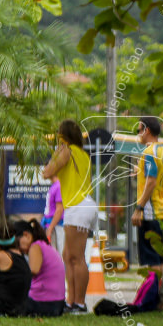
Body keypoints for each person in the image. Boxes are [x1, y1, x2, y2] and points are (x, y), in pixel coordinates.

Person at [42, 120, 98, 315]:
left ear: (62, 136)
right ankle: (71, 301)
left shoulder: (66, 151)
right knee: (68, 256)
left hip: (78, 206)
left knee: (77, 257)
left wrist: (56, 152)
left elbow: (47, 172)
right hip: (81, 205)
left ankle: (80, 303)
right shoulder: (82, 154)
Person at [131, 116, 163, 272]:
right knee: (162, 258)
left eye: (138, 131)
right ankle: (162, 293)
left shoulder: (149, 152)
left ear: (146, 130)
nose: (138, 135)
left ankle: (154, 294)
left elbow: (151, 181)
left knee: (153, 259)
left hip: (150, 213)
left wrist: (139, 208)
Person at [18, 219, 66, 317]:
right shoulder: (44, 245)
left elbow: (34, 270)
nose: (19, 248)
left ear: (26, 235)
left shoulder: (35, 247)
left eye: (18, 244)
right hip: (57, 304)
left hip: (44, 303)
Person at [42, 178, 65, 254]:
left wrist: (50, 228)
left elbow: (59, 209)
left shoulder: (59, 186)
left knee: (58, 254)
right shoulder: (54, 186)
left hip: (56, 227)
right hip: (51, 225)